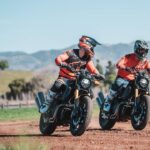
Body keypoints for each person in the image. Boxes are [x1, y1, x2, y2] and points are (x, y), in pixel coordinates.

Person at [40, 35, 104, 113]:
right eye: (92, 47)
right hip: (64, 78)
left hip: (77, 79)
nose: (92, 49)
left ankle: (83, 111)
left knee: (90, 93)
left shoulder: (87, 58)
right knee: (58, 84)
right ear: (86, 44)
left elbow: (93, 69)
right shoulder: (71, 53)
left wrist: (98, 74)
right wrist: (62, 63)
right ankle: (46, 103)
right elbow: (59, 58)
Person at [102, 40, 150, 116]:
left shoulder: (146, 61)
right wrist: (126, 68)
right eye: (141, 50)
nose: (143, 52)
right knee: (117, 85)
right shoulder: (128, 57)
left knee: (146, 87)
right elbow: (118, 64)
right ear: (136, 49)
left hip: (137, 80)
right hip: (123, 78)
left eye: (145, 50)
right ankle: (107, 104)